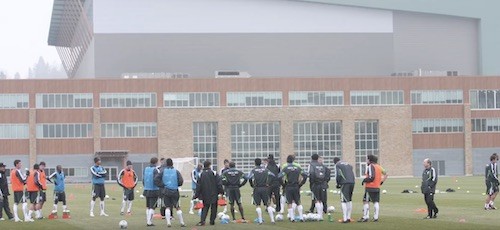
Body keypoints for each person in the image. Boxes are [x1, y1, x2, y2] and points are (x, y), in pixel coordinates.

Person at [155, 158, 186, 227]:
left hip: (166, 191)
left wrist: (162, 185)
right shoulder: (176, 171)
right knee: (177, 207)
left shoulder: (163, 171)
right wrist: (176, 184)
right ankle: (182, 222)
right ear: (172, 164)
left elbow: (156, 179)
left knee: (167, 207)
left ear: (166, 164)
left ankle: (168, 222)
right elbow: (181, 181)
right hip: (175, 191)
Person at [358, 155, 387, 222]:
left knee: (366, 201)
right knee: (376, 202)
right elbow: (386, 174)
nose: (366, 161)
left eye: (367, 159)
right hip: (377, 187)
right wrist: (381, 182)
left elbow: (372, 177)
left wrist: (364, 180)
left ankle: (365, 217)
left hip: (370, 187)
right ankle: (376, 217)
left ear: (370, 160)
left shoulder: (371, 166)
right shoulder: (379, 167)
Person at [279, 155, 308, 222]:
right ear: (293, 160)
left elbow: (279, 177)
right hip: (296, 186)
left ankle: (292, 218)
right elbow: (305, 175)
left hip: (288, 186)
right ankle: (301, 217)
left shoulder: (285, 168)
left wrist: (283, 184)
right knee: (298, 202)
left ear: (287, 160)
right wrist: (300, 184)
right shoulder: (298, 168)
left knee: (289, 202)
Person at [248, 158, 276, 224]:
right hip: (265, 188)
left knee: (258, 205)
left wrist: (252, 184)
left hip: (257, 188)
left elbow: (249, 177)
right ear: (260, 163)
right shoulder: (265, 170)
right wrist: (268, 183)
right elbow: (273, 175)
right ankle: (272, 220)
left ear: (255, 163)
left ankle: (260, 221)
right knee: (268, 204)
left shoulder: (253, 170)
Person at [195, 160, 223, 226]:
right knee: (214, 208)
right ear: (210, 165)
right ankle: (212, 221)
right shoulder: (214, 173)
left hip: (205, 194)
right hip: (214, 193)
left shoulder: (200, 174)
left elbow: (198, 186)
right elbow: (219, 184)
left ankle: (202, 221)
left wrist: (196, 195)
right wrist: (221, 192)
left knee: (205, 207)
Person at [308, 154, 330, 221]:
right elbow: (328, 173)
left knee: (317, 200)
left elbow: (311, 174)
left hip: (316, 184)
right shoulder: (322, 166)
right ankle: (321, 214)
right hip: (322, 184)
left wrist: (312, 183)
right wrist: (325, 181)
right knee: (321, 199)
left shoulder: (312, 165)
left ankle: (320, 216)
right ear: (317, 159)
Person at [334, 157, 355, 223]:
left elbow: (338, 174)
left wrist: (338, 184)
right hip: (352, 182)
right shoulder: (348, 164)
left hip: (344, 183)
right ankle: (349, 217)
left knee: (343, 201)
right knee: (349, 199)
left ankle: (345, 218)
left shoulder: (338, 165)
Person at [143, 157, 160, 227]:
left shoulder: (146, 169)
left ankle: (148, 220)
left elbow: (143, 179)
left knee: (148, 206)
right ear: (156, 162)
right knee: (152, 207)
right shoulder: (155, 170)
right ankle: (149, 222)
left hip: (146, 189)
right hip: (154, 190)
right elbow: (156, 180)